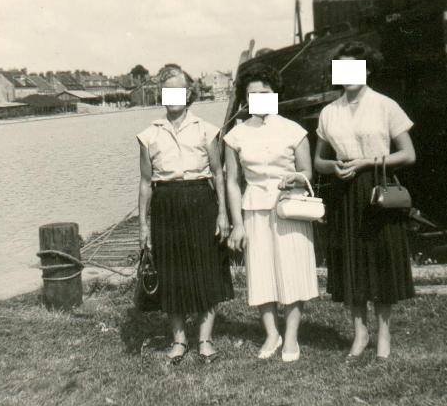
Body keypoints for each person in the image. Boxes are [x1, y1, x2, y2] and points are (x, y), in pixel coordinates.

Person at [314, 42, 416, 360]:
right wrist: (334, 166)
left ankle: (384, 333)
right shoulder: (329, 112)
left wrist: (367, 162)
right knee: (351, 262)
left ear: (367, 69)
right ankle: (360, 333)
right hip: (344, 191)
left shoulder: (385, 105)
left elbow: (408, 154)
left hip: (377, 189)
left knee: (382, 258)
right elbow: (318, 161)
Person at [136, 64, 234, 364]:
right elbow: (145, 182)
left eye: (178, 91)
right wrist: (143, 225)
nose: (172, 97)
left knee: (207, 268)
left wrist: (223, 214)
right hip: (166, 205)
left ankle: (205, 339)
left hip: (201, 201)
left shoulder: (207, 129)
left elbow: (218, 174)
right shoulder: (149, 135)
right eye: (167, 92)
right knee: (171, 271)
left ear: (188, 93)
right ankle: (179, 340)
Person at [224, 63, 319, 362]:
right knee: (261, 272)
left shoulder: (294, 131)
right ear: (246, 99)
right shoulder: (235, 135)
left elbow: (307, 172)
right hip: (254, 209)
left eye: (265, 93)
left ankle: (291, 337)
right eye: (252, 95)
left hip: (290, 207)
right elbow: (232, 182)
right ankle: (271, 334)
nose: (259, 99)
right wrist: (237, 224)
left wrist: (296, 177)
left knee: (293, 271)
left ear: (275, 94)